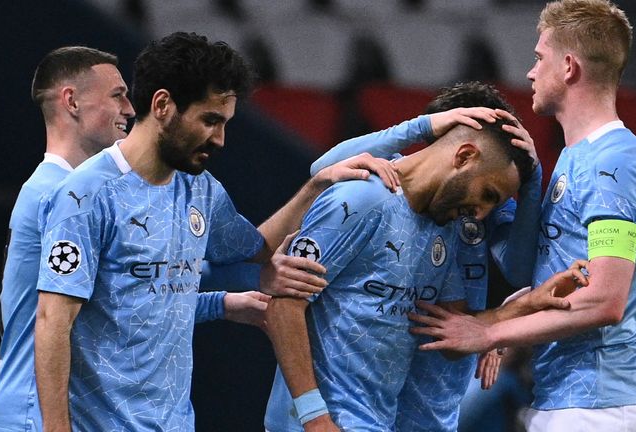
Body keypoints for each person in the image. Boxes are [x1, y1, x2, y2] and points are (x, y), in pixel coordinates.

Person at [33, 32, 397, 431]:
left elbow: (253, 249)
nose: (220, 139)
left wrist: (316, 186)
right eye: (210, 120)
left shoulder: (200, 189)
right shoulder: (85, 195)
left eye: (225, 123)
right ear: (163, 105)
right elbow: (53, 322)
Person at [409, 1, 636, 431]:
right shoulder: (575, 159)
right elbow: (538, 273)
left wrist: (490, 333)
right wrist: (509, 314)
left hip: (598, 400)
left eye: (539, 57)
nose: (530, 71)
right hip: (565, 394)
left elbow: (606, 299)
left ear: (568, 67)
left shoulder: (615, 164)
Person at [264, 108, 550, 431]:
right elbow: (284, 306)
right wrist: (315, 417)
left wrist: (504, 321)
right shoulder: (364, 195)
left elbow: (450, 332)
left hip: (378, 421)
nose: (481, 215)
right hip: (319, 421)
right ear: (464, 155)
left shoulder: (443, 230)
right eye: (487, 195)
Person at [0, 46, 136, 432]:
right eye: (117, 95)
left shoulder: (61, 191)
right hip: (33, 413)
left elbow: (120, 299)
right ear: (71, 101)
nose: (130, 110)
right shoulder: (57, 196)